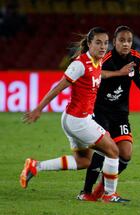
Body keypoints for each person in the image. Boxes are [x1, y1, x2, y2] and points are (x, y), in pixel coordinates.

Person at [20, 27, 130, 203]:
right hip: (78, 120)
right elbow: (58, 87)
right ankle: (110, 195)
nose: (103, 47)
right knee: (113, 151)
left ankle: (35, 166)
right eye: (98, 43)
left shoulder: (97, 61)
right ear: (89, 43)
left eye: (105, 43)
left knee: (84, 161)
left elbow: (98, 74)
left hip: (74, 119)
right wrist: (39, 108)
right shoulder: (79, 64)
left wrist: (119, 73)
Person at [76, 25, 140, 201]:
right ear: (114, 42)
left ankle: (104, 186)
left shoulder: (136, 58)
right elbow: (96, 75)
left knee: (126, 153)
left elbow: (138, 78)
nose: (126, 44)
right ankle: (85, 192)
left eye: (129, 40)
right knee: (102, 151)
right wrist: (118, 73)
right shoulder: (105, 58)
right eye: (122, 40)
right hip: (100, 111)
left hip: (120, 113)